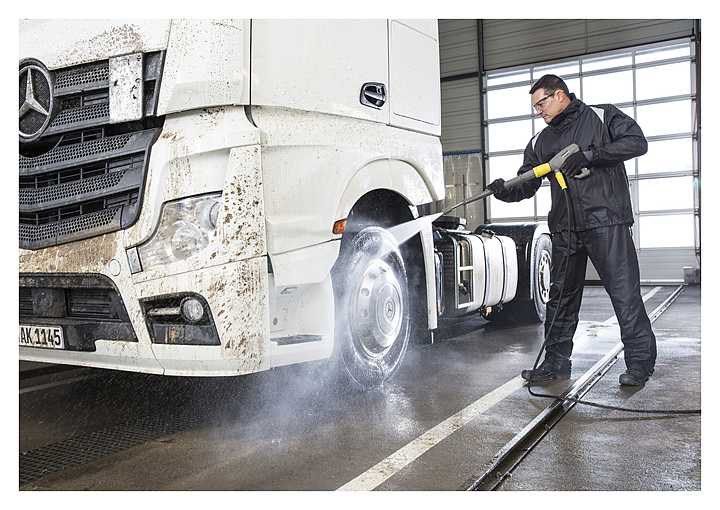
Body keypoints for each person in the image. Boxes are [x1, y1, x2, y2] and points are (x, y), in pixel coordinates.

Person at [488, 74, 656, 386]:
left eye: (541, 103)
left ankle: (639, 364)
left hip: (607, 220)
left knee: (624, 294)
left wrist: (590, 156)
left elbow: (636, 142)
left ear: (559, 95)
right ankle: (555, 364)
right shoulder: (540, 142)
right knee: (560, 300)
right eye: (535, 106)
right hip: (566, 228)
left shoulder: (602, 116)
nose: (538, 111)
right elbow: (527, 183)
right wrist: (503, 190)